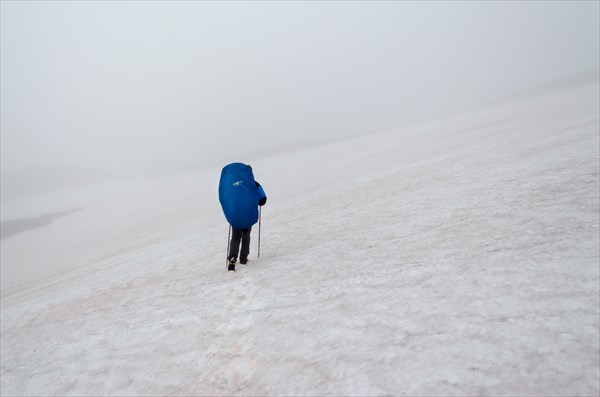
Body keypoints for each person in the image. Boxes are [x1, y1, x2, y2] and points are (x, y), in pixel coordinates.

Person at [218, 163, 267, 271]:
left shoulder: (231, 185)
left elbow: (225, 197)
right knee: (246, 235)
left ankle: (232, 258)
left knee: (235, 237)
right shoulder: (253, 184)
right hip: (248, 213)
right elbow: (263, 199)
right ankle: (244, 258)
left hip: (236, 214)